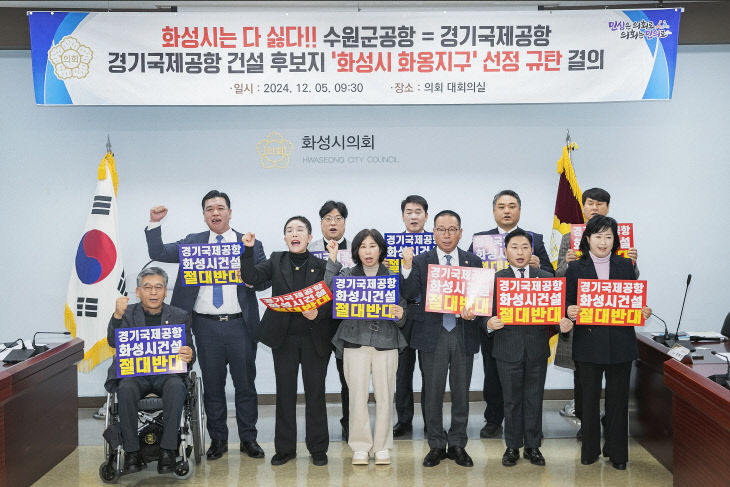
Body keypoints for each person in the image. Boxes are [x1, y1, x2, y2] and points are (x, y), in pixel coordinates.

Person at [145, 190, 268, 461]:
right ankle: (218, 440)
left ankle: (249, 439)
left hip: (240, 326)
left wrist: (249, 278)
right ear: (204, 215)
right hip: (205, 326)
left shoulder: (247, 243)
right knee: (213, 386)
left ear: (230, 212)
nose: (215, 212)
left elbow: (263, 279)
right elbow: (158, 252)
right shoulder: (193, 243)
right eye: (209, 208)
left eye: (220, 208)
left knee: (245, 385)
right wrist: (155, 223)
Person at [239, 216, 337, 467]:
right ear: (285, 238)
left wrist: (319, 312)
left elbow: (334, 299)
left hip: (315, 339)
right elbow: (251, 277)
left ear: (309, 236)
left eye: (300, 230)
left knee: (316, 394)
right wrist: (248, 250)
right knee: (285, 394)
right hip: (284, 340)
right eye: (289, 230)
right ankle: (285, 448)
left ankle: (318, 448)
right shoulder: (275, 260)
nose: (295, 234)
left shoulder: (321, 264)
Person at [562, 215, 652, 470]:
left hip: (620, 344)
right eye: (598, 236)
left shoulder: (625, 266)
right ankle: (589, 450)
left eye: (608, 236)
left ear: (615, 240)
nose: (603, 242)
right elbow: (566, 302)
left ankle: (617, 452)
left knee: (618, 402)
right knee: (588, 401)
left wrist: (642, 310)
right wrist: (570, 310)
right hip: (588, 345)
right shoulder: (576, 268)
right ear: (587, 239)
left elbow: (633, 302)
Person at [401, 210, 485, 468]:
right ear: (433, 232)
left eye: (452, 229)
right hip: (431, 334)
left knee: (461, 392)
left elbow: (480, 299)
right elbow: (410, 293)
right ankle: (436, 444)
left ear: (460, 232)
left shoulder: (473, 262)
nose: (446, 235)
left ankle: (458, 443)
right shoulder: (420, 261)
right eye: (441, 229)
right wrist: (405, 268)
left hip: (462, 332)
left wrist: (475, 311)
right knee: (433, 393)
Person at [554, 187, 640, 438]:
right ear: (583, 207)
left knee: (615, 384)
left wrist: (633, 263)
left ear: (608, 208)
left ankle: (609, 427)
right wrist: (567, 264)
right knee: (584, 379)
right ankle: (585, 424)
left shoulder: (619, 235)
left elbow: (630, 283)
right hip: (584, 327)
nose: (595, 208)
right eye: (590, 203)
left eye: (600, 204)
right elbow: (559, 278)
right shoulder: (569, 238)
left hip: (613, 328)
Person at [468, 189, 554, 439]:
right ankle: (494, 419)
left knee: (528, 384)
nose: (507, 210)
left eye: (512, 206)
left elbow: (551, 274)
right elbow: (467, 270)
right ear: (494, 211)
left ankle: (528, 434)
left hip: (529, 326)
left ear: (519, 210)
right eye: (502, 206)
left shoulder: (534, 239)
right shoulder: (479, 239)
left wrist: (538, 265)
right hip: (496, 321)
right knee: (493, 374)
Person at [485, 230, 574, 467]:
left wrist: (562, 323)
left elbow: (556, 313)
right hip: (506, 349)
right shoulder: (496, 279)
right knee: (511, 400)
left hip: (536, 348)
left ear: (531, 250)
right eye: (514, 247)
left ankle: (533, 447)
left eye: (525, 247)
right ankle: (512, 446)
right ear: (506, 251)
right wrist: (488, 323)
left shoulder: (545, 277)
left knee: (534, 399)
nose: (520, 252)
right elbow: (483, 314)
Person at [325, 229, 407, 465]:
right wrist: (332, 261)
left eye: (372, 246)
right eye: (362, 246)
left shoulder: (393, 276)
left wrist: (401, 314)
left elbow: (403, 313)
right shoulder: (348, 275)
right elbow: (328, 293)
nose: (368, 251)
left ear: (381, 250)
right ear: (356, 251)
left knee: (384, 396)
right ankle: (360, 446)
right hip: (354, 341)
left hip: (386, 342)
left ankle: (382, 447)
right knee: (357, 396)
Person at [104, 267, 195, 474]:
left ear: (165, 291)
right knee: (125, 388)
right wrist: (117, 316)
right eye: (147, 287)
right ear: (138, 292)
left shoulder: (180, 315)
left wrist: (189, 354)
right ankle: (132, 452)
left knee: (176, 386)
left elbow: (190, 353)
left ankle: (168, 450)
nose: (153, 292)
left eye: (158, 287)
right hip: (136, 376)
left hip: (166, 375)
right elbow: (112, 341)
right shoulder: (126, 314)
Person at [307, 200, 351, 440]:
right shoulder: (309, 248)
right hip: (318, 323)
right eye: (328, 219)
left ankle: (350, 425)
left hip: (348, 323)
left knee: (350, 381)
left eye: (338, 219)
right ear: (321, 222)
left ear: (345, 222)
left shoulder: (358, 248)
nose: (333, 223)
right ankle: (318, 434)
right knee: (316, 382)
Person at [393, 194, 429, 437]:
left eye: (418, 212)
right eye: (409, 212)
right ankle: (403, 420)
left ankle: (431, 420)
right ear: (403, 216)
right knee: (402, 372)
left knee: (430, 371)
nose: (413, 216)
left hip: (428, 315)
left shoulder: (437, 243)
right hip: (402, 314)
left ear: (426, 215)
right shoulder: (390, 245)